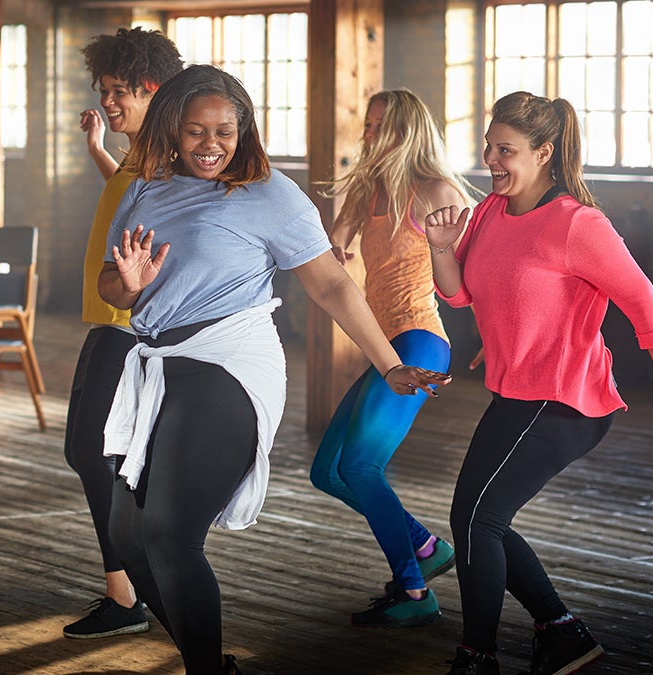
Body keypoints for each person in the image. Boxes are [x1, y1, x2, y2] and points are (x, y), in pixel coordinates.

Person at [98, 64, 451, 674]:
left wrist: (391, 366)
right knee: (128, 540)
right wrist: (127, 285)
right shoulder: (144, 189)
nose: (211, 144)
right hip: (159, 363)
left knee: (169, 534)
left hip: (228, 360)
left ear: (245, 131)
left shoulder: (269, 193)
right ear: (172, 131)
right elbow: (115, 281)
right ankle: (209, 660)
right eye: (195, 131)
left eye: (225, 131)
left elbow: (335, 285)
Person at [426, 91, 653, 675]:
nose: (491, 159)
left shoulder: (577, 224)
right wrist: (440, 249)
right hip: (518, 391)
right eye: (488, 145)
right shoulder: (487, 213)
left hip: (564, 399)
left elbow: (643, 303)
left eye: (505, 149)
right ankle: (561, 633)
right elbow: (462, 295)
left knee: (478, 519)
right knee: (482, 519)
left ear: (544, 152)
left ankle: (477, 656)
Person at [308, 89, 476, 627]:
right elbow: (332, 246)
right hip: (386, 348)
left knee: (359, 465)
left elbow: (471, 276)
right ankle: (426, 547)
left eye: (380, 126)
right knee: (327, 473)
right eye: (367, 125)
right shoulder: (366, 190)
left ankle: (413, 591)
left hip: (421, 341)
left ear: (407, 131)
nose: (369, 136)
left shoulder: (434, 192)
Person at [63, 26, 182, 640]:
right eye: (104, 90)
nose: (108, 101)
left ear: (151, 89)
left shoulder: (165, 162)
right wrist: (96, 147)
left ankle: (134, 589)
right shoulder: (138, 155)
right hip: (104, 323)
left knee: (95, 454)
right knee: (83, 453)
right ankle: (127, 588)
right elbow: (122, 193)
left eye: (118, 92)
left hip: (129, 329)